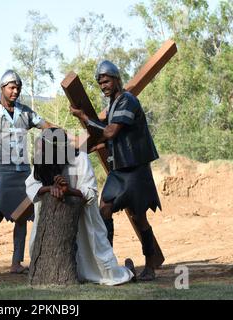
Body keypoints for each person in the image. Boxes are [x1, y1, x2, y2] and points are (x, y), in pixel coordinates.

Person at [69, 60, 162, 281]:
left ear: (117, 79)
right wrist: (90, 147)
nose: (103, 86)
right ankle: (107, 262)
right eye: (101, 83)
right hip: (119, 170)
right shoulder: (113, 105)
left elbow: (111, 132)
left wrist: (86, 119)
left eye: (107, 81)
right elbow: (112, 138)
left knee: (140, 219)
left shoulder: (127, 100)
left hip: (135, 169)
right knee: (104, 210)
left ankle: (150, 266)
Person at [25, 128, 136, 286]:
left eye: (43, 145)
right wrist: (50, 189)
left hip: (83, 221)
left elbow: (90, 192)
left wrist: (69, 190)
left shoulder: (80, 158)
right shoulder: (42, 159)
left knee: (105, 272)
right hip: (52, 225)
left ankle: (128, 270)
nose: (39, 148)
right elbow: (31, 185)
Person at [0, 70, 54, 274]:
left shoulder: (25, 112)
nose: (15, 91)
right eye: (12, 87)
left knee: (23, 214)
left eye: (18, 88)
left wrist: (63, 134)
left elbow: (46, 125)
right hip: (2, 172)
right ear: (2, 88)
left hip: (23, 172)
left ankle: (16, 262)